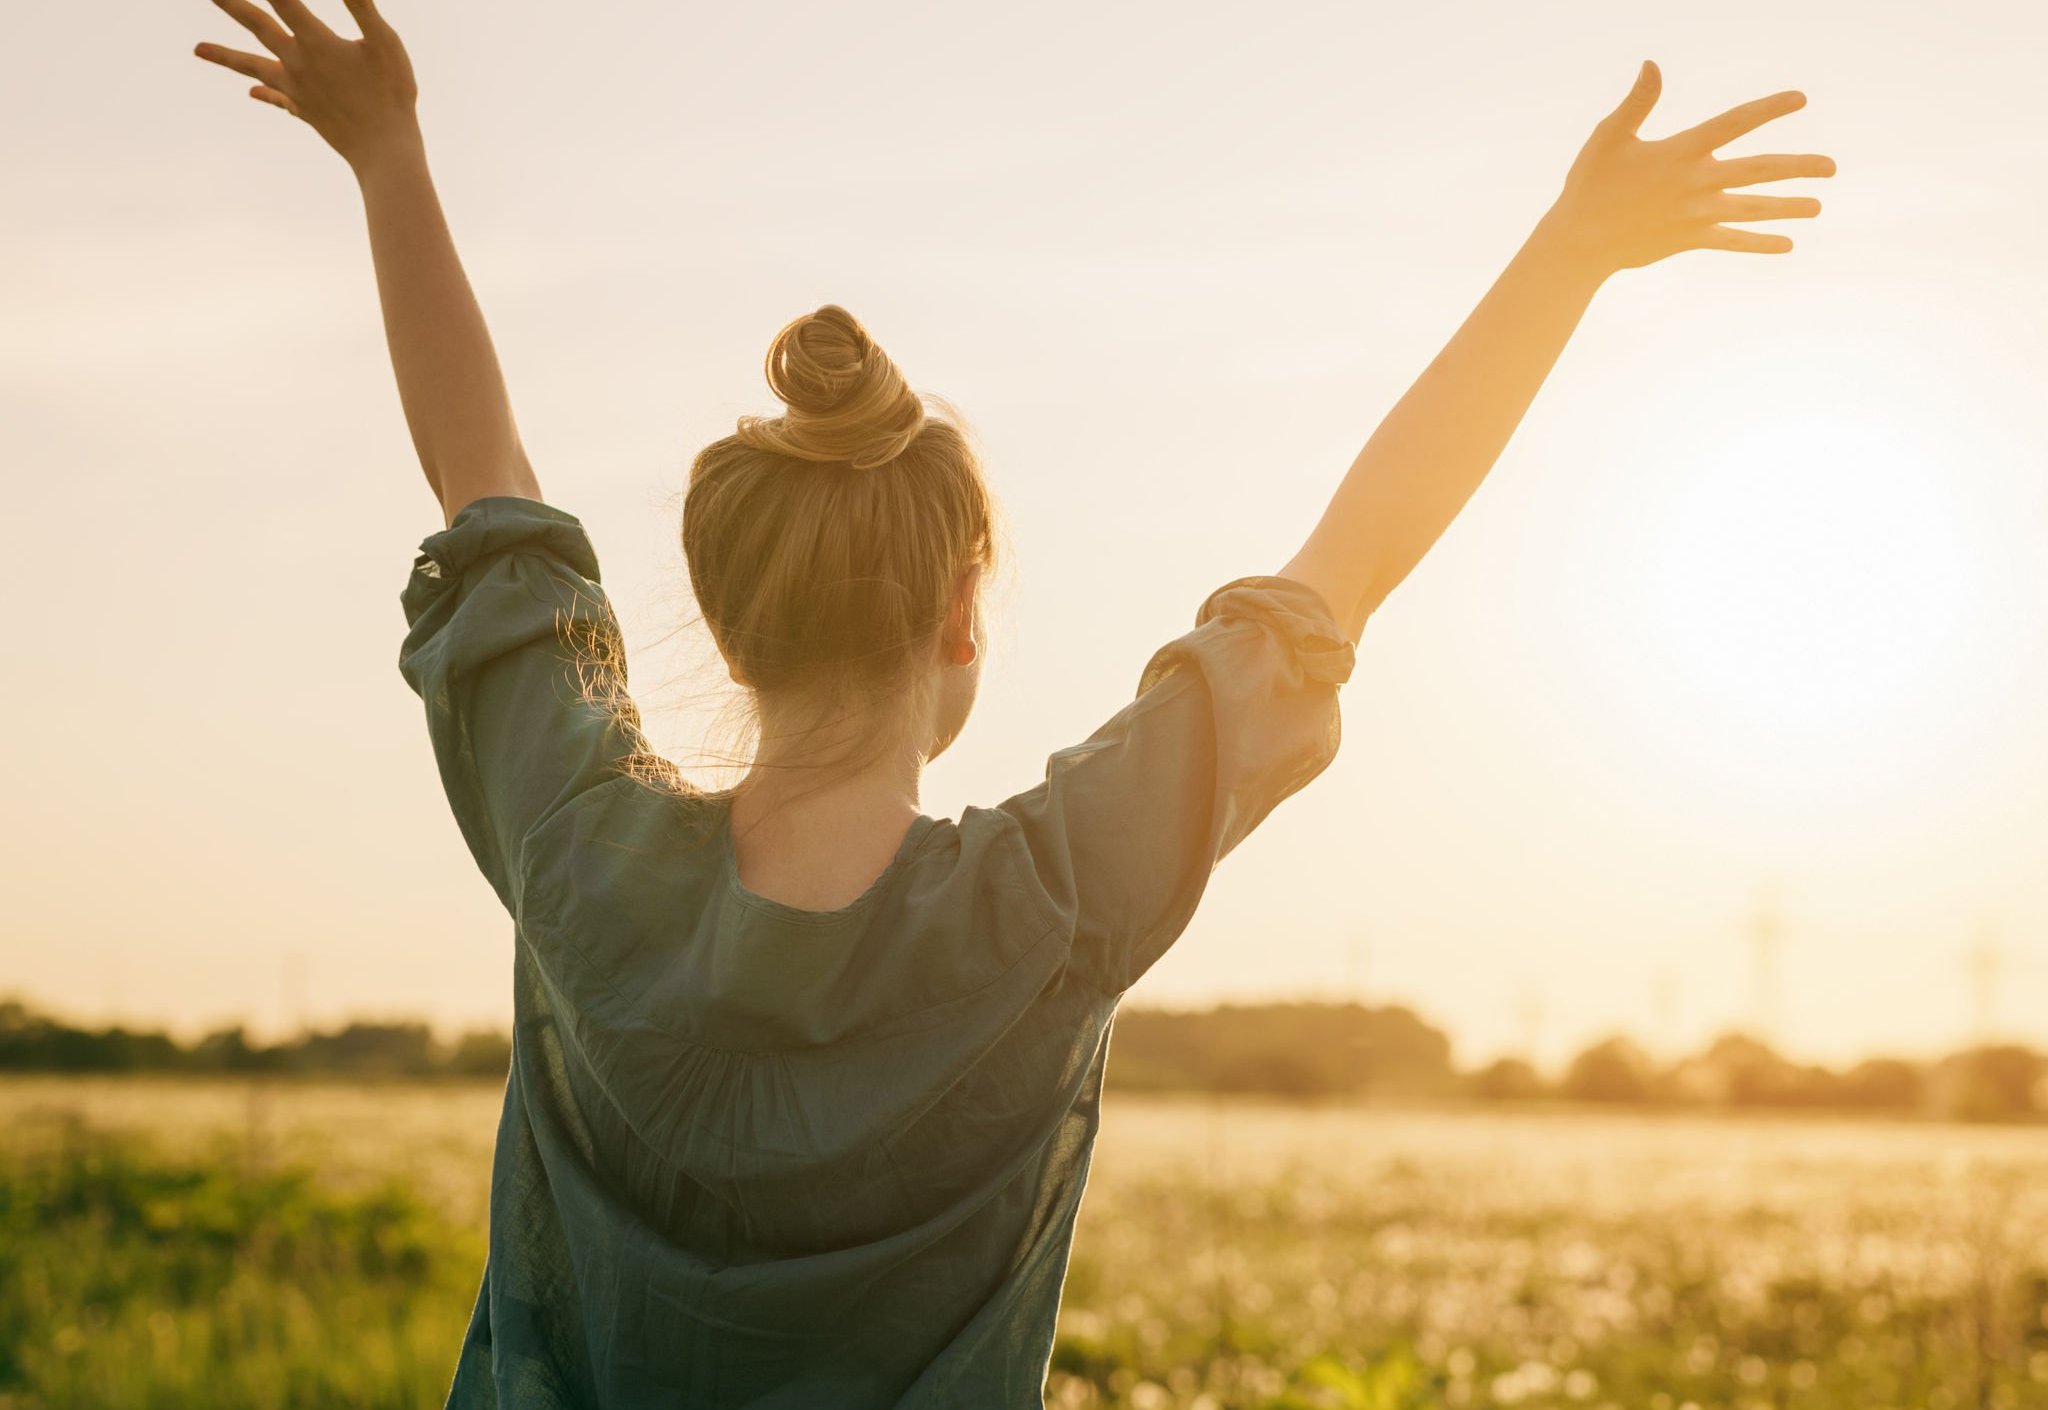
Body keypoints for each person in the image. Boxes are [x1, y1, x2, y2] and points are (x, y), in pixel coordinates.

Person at [192, 1, 1832, 1403]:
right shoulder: (1051, 901)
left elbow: (486, 489)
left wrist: (390, 157)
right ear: (963, 611)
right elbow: (1344, 567)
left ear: (723, 613)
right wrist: (1572, 254)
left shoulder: (575, 846)